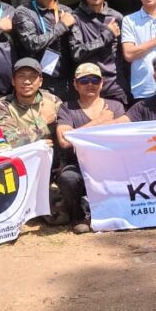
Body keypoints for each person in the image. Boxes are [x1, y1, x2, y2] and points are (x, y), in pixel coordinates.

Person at [55, 63, 126, 233]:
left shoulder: (115, 106)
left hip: (111, 165)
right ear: (75, 84)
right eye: (84, 80)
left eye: (95, 80)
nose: (90, 84)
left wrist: (79, 133)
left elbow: (122, 134)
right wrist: (100, 121)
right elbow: (64, 140)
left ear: (102, 83)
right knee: (67, 178)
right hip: (80, 166)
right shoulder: (67, 108)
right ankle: (79, 216)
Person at [12, 0, 77, 101]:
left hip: (67, 81)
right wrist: (62, 25)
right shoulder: (24, 12)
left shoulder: (66, 11)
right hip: (38, 83)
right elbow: (32, 44)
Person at [70, 0, 128, 105]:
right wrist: (107, 35)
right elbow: (77, 53)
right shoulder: (74, 18)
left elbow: (124, 55)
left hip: (115, 86)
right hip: (87, 85)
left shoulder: (117, 17)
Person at [0, 57, 62, 149]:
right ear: (13, 81)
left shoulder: (53, 101)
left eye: (32, 77)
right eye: (21, 76)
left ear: (40, 82)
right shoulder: (1, 106)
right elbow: (7, 141)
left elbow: (66, 133)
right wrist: (41, 122)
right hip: (19, 157)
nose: (27, 82)